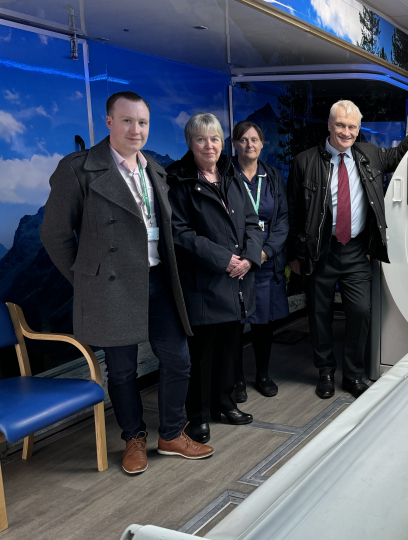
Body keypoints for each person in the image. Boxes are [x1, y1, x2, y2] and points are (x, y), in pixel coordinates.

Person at [40, 91, 214, 475]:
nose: (136, 130)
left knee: (179, 360)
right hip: (112, 287)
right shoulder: (78, 169)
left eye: (143, 123)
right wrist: (86, 279)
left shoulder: (153, 168)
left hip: (158, 280)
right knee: (121, 370)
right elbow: (54, 234)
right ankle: (133, 438)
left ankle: (170, 433)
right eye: (127, 121)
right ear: (109, 122)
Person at [287, 100, 408, 399]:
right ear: (329, 125)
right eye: (340, 125)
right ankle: (326, 372)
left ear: (358, 129)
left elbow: (396, 156)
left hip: (357, 251)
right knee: (319, 315)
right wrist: (293, 255)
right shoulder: (305, 161)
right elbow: (292, 210)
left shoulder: (368, 154)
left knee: (360, 312)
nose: (346, 131)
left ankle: (353, 375)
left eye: (352, 126)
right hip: (320, 251)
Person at [166, 113, 261, 444]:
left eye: (215, 139)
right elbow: (178, 232)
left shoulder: (233, 176)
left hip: (237, 281)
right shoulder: (178, 180)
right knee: (200, 354)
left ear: (223, 143)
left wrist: (249, 257)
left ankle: (224, 403)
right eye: (201, 139)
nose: (209, 146)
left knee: (230, 348)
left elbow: (251, 220)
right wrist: (224, 259)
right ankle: (198, 416)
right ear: (190, 143)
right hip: (204, 282)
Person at [230, 121, 290, 400]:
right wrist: (238, 258)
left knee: (263, 325)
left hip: (264, 262)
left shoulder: (273, 176)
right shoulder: (225, 174)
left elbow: (282, 222)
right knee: (233, 325)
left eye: (254, 139)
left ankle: (263, 374)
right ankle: (236, 380)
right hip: (233, 262)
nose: (249, 145)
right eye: (243, 140)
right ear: (234, 144)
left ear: (262, 143)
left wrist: (262, 254)